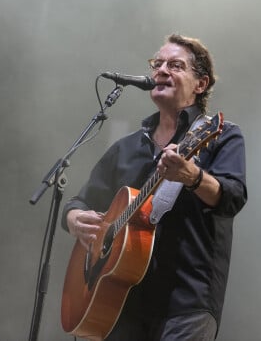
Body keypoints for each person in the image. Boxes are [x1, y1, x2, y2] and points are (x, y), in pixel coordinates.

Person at [61, 34, 248, 340]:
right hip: (118, 300)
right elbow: (79, 202)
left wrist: (192, 176)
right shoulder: (125, 148)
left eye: (175, 65)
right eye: (157, 64)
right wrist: (72, 219)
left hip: (185, 301)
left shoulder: (220, 134)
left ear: (200, 84)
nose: (161, 70)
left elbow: (232, 197)